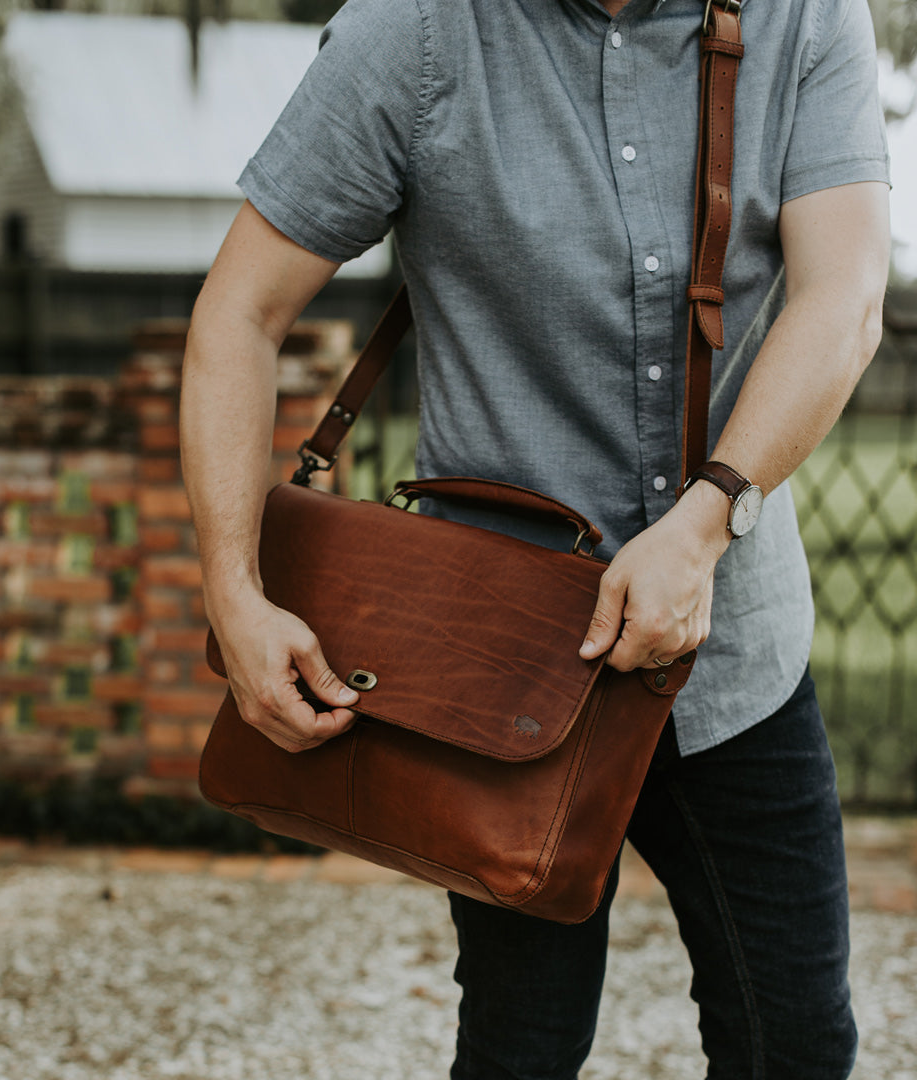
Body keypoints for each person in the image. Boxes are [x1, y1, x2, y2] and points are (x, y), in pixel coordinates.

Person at [179, 0, 890, 1075]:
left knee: (794, 1042)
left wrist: (701, 527)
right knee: (522, 1050)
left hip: (735, 649)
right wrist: (234, 594)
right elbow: (237, 316)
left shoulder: (809, 14)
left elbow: (844, 300)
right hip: (499, 672)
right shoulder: (413, 32)